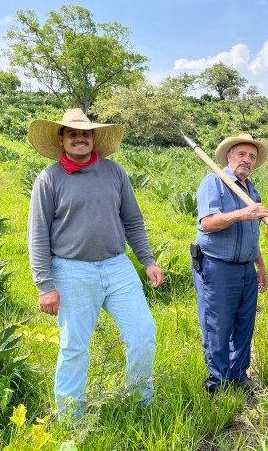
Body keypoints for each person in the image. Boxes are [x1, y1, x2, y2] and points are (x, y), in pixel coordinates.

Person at [27, 108, 164, 419]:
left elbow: (133, 221)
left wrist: (148, 260)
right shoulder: (48, 179)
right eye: (73, 133)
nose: (80, 138)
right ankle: (70, 419)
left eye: (86, 133)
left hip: (118, 267)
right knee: (74, 347)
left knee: (143, 334)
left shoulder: (115, 172)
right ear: (61, 139)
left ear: (94, 138)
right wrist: (45, 285)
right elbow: (37, 234)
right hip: (71, 270)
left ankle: (140, 405)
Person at [193, 134, 268, 394]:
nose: (247, 160)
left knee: (244, 324)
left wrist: (260, 266)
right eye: (241, 154)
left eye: (252, 156)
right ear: (229, 157)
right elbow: (208, 223)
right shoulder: (215, 182)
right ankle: (218, 382)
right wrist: (242, 214)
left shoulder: (251, 189)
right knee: (218, 325)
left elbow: (253, 232)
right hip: (218, 266)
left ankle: (239, 376)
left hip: (246, 267)